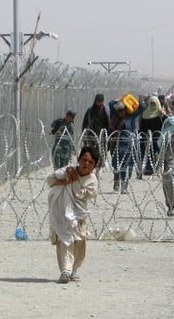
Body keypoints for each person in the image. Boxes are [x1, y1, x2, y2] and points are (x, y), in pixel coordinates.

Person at [46, 146, 99, 284]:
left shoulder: (92, 181)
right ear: (78, 159)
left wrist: (75, 180)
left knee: (79, 244)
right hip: (63, 214)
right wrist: (65, 181)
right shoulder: (68, 170)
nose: (86, 164)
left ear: (94, 166)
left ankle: (74, 269)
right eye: (84, 160)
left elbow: (80, 195)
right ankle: (65, 270)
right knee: (64, 241)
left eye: (90, 162)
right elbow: (50, 180)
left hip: (79, 216)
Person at [108, 98, 145, 193]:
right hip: (117, 145)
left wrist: (130, 101)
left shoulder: (130, 117)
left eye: (122, 110)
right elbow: (111, 103)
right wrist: (121, 99)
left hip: (129, 145)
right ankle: (116, 179)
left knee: (128, 165)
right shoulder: (114, 116)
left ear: (125, 110)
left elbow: (142, 106)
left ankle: (125, 185)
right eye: (119, 111)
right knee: (116, 164)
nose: (121, 113)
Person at [138, 96, 166, 177]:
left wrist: (162, 115)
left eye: (154, 104)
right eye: (151, 104)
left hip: (158, 137)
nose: (153, 106)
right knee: (149, 153)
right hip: (148, 137)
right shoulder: (145, 114)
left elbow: (166, 123)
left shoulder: (160, 113)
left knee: (158, 153)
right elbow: (142, 127)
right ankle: (149, 170)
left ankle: (158, 170)